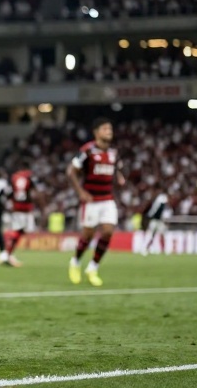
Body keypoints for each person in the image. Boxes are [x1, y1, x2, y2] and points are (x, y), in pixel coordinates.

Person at [67, 117, 125, 286]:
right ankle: (75, 262)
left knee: (108, 232)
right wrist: (81, 192)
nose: (109, 132)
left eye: (110, 129)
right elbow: (71, 171)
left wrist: (119, 178)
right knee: (88, 236)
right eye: (105, 129)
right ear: (96, 132)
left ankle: (93, 267)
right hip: (91, 200)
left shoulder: (114, 152)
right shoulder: (87, 150)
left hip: (107, 199)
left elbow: (116, 169)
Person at [0, 161, 43, 267]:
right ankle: (6, 253)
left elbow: (8, 193)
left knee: (20, 230)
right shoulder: (29, 176)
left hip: (16, 207)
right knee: (18, 230)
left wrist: (10, 204)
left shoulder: (13, 177)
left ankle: (8, 253)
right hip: (26, 207)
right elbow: (36, 192)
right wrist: (42, 205)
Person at [140, 190, 169, 256]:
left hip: (157, 220)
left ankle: (162, 249)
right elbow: (157, 210)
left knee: (155, 234)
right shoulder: (160, 199)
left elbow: (155, 210)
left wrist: (149, 215)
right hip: (156, 220)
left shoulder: (160, 199)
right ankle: (145, 248)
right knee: (151, 235)